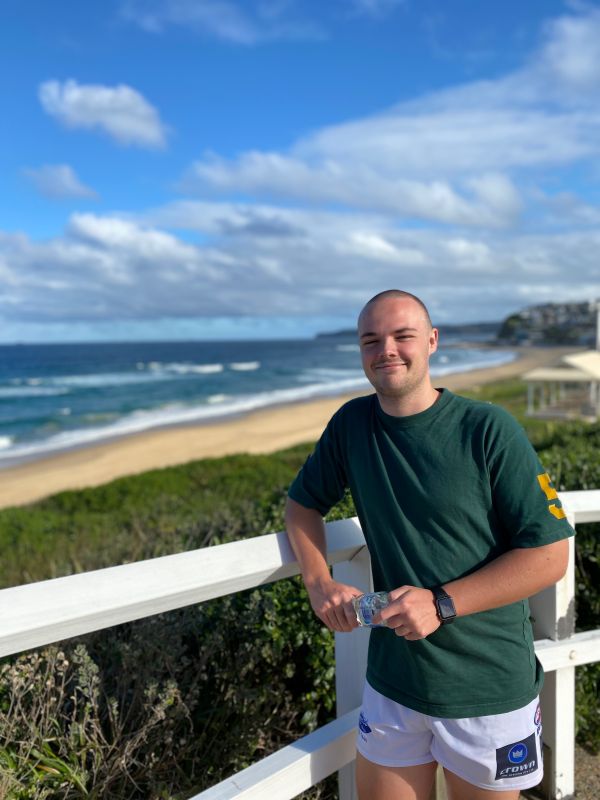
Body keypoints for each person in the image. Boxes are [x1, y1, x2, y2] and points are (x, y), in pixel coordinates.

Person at [285, 290, 573, 800]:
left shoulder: (488, 429)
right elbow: (302, 504)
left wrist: (441, 602)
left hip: (486, 685)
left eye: (402, 336)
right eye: (371, 340)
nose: (386, 349)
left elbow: (549, 555)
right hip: (394, 680)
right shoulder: (352, 425)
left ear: (433, 342)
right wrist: (319, 582)